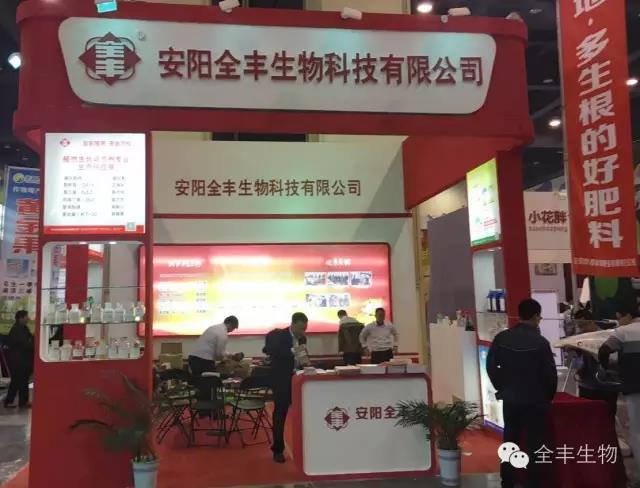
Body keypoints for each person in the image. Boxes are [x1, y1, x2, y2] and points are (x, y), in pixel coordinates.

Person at [486, 299, 557, 488]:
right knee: (535, 443)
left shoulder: (502, 338)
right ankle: (534, 482)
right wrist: (548, 396)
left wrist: (502, 387)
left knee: (510, 439)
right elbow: (550, 373)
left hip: (511, 399)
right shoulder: (541, 343)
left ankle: (507, 480)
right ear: (535, 316)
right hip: (536, 400)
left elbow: (491, 365)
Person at [598, 305, 640, 476]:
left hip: (635, 387)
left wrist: (606, 368)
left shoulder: (623, 332)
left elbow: (604, 350)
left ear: (628, 315)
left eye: (619, 317)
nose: (618, 321)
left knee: (637, 431)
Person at [263, 312, 308, 464]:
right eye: (301, 328)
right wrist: (292, 351)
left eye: (305, 329)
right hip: (281, 380)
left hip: (298, 379)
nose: (303, 332)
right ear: (293, 324)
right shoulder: (279, 336)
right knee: (280, 415)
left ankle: (304, 449)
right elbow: (271, 350)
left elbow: (302, 357)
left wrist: (307, 365)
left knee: (302, 414)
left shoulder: (302, 338)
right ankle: (278, 449)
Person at [573, 310, 619, 422]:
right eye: (579, 326)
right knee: (587, 419)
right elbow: (576, 361)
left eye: (583, 325)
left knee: (607, 419)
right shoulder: (579, 338)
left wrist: (593, 353)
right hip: (586, 385)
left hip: (607, 386)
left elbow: (614, 360)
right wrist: (578, 364)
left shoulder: (607, 337)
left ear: (592, 321)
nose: (581, 329)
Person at [4, 311, 34, 409]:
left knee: (24, 381)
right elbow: (25, 343)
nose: (28, 318)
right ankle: (9, 401)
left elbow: (31, 339)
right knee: (16, 381)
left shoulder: (24, 328)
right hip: (17, 360)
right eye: (26, 316)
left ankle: (23, 401)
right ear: (20, 318)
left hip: (24, 359)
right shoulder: (16, 330)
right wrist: (31, 344)